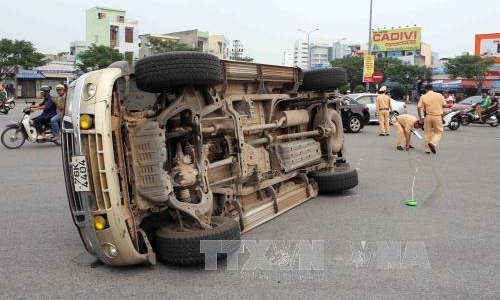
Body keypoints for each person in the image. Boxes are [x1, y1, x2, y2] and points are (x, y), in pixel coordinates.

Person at [417, 84, 448, 154]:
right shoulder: (439, 95)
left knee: (427, 133)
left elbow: (419, 107)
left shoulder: (423, 96)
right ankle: (433, 143)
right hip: (437, 116)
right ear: (432, 89)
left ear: (426, 89)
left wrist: (420, 118)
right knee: (438, 132)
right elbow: (445, 105)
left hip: (428, 116)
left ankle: (427, 149)